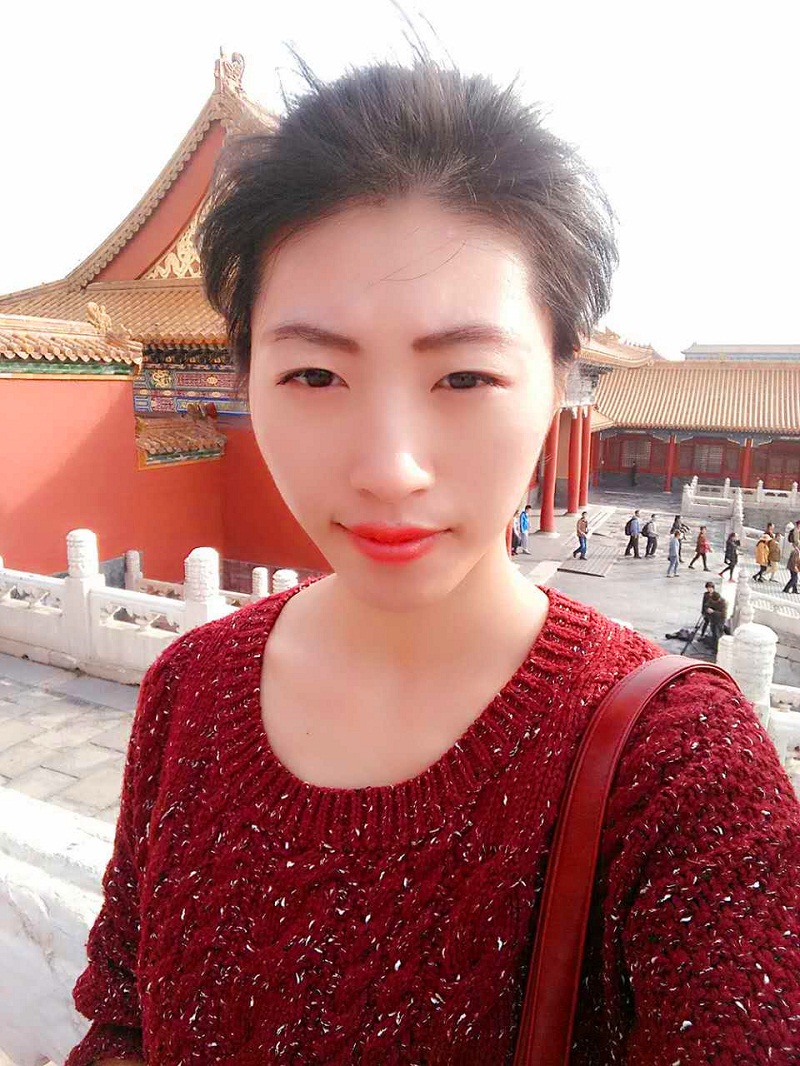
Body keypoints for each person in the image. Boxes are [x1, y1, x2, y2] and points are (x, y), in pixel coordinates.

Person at [66, 59, 800, 1066]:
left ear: (560, 381)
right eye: (313, 373)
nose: (389, 469)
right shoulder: (189, 689)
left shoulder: (681, 773)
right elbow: (122, 1023)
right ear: (247, 378)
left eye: (463, 376)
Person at [700, 583, 727, 650]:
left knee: (718, 634)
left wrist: (713, 612)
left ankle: (718, 648)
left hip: (720, 620)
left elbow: (723, 614)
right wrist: (707, 609)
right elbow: (706, 605)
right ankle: (713, 646)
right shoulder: (710, 598)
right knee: (714, 633)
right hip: (713, 618)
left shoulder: (723, 603)